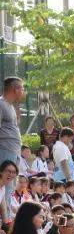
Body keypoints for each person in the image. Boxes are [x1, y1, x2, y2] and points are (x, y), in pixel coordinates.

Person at [0, 78, 25, 207]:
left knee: (10, 187)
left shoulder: (10, 106)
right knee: (4, 187)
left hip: (14, 153)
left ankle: (7, 220)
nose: (23, 91)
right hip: (4, 152)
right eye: (22, 88)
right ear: (15, 89)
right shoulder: (1, 104)